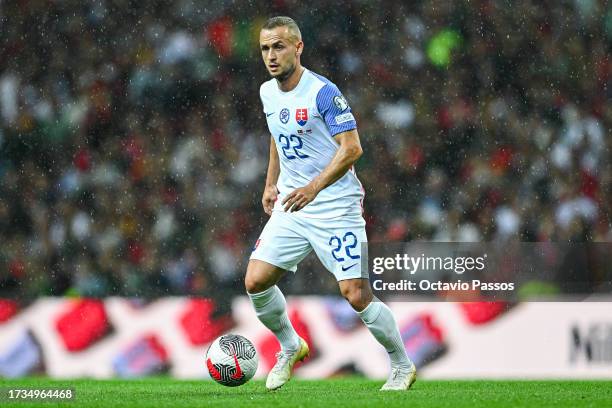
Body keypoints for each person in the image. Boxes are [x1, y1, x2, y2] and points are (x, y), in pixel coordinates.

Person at [245, 16, 416, 391]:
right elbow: (277, 134)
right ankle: (290, 346)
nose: (271, 56)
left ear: (298, 47)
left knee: (355, 293)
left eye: (278, 47)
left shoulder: (323, 92)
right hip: (293, 203)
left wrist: (314, 187)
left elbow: (352, 148)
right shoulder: (267, 92)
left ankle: (402, 365)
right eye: (264, 49)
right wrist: (270, 182)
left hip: (335, 205)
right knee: (255, 280)